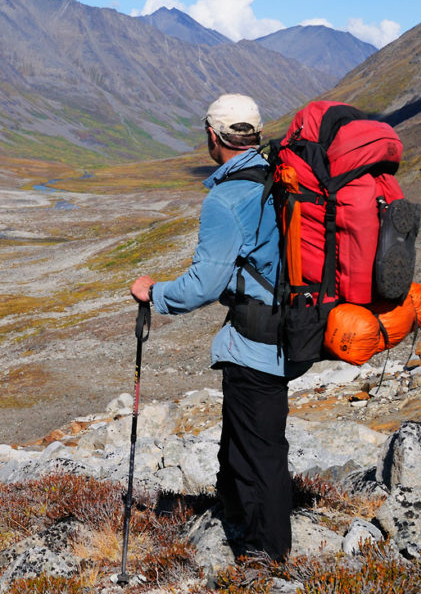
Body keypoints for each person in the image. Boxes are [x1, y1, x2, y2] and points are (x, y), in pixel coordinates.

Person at [130, 93, 310, 562]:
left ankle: (265, 559)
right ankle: (233, 517)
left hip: (257, 343)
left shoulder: (227, 200)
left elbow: (203, 285)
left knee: (259, 456)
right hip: (289, 330)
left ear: (213, 136)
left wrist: (155, 293)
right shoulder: (280, 178)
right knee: (243, 442)